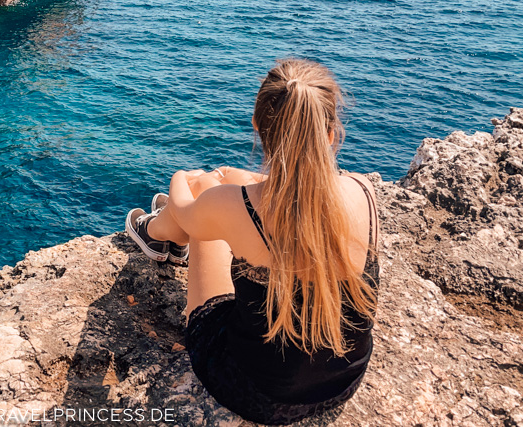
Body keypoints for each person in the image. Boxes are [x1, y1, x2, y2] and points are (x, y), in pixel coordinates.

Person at [125, 57, 379, 425]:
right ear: (329, 133)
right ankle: (160, 232)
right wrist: (227, 179)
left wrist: (184, 176)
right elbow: (296, 199)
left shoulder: (238, 206)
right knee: (219, 198)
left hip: (255, 392)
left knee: (199, 204)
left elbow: (185, 209)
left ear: (258, 127)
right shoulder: (363, 190)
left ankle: (153, 234)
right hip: (341, 385)